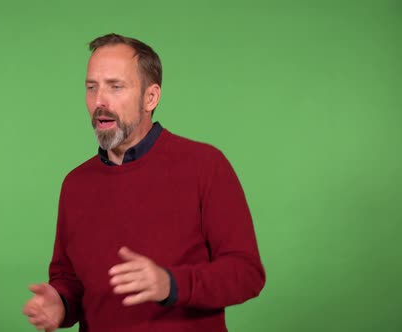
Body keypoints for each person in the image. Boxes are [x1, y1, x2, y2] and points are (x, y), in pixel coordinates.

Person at [22, 33, 265, 332]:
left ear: (151, 97)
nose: (100, 101)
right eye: (91, 87)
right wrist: (60, 302)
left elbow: (247, 274)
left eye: (116, 87)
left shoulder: (205, 166)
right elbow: (69, 279)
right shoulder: (75, 184)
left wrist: (170, 284)